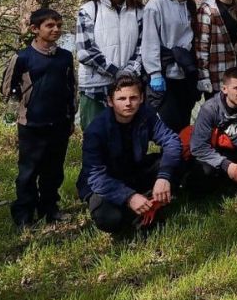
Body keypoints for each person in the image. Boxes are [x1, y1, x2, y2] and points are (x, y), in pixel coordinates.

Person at [0, 8, 77, 228]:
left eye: (59, 26)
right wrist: (19, 106)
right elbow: (7, 88)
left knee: (53, 170)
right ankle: (24, 213)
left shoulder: (64, 57)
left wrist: (70, 117)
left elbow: (71, 87)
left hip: (59, 123)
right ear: (35, 29)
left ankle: (50, 208)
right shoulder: (23, 57)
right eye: (50, 26)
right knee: (29, 171)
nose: (56, 30)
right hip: (32, 124)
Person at [77, 75, 182, 234]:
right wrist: (129, 197)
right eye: (121, 98)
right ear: (110, 101)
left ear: (141, 98)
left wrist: (164, 176)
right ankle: (139, 209)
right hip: (106, 182)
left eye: (133, 98)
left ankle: (152, 200)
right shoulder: (96, 130)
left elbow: (171, 141)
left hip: (133, 170)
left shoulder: (147, 115)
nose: (128, 103)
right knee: (109, 218)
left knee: (176, 162)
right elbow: (95, 175)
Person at [77, 0, 144, 130]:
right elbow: (86, 51)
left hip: (127, 89)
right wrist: (116, 72)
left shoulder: (138, 11)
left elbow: (143, 47)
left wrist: (128, 72)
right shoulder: (89, 9)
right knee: (95, 140)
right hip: (95, 88)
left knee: (126, 141)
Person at [141, 0, 199, 132]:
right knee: (169, 125)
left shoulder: (189, 5)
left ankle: (184, 157)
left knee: (184, 123)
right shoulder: (155, 5)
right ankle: (169, 157)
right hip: (165, 72)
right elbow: (149, 41)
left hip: (185, 71)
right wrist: (154, 73)